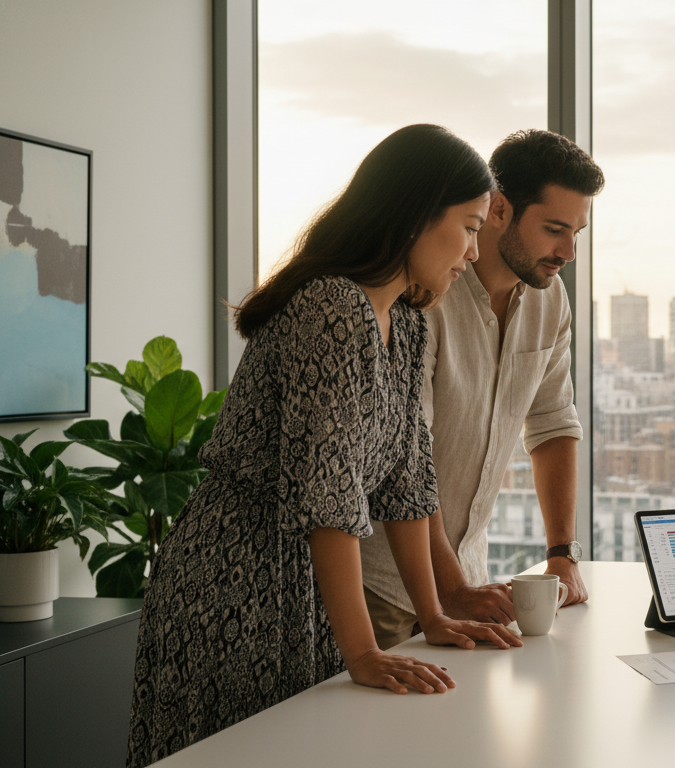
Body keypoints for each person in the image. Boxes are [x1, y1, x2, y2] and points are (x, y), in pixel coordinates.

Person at [125, 125, 523, 768]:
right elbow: (328, 497)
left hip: (307, 584)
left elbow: (408, 483)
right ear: (417, 216)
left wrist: (435, 614)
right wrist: (364, 652)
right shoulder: (332, 308)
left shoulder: (411, 321)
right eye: (471, 226)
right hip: (238, 576)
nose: (475, 252)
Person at [360, 129, 605, 649]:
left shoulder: (549, 298)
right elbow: (409, 459)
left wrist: (563, 552)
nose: (569, 251)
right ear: (497, 209)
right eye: (554, 229)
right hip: (380, 586)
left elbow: (555, 423)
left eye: (577, 233)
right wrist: (447, 592)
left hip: (471, 581)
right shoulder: (423, 298)